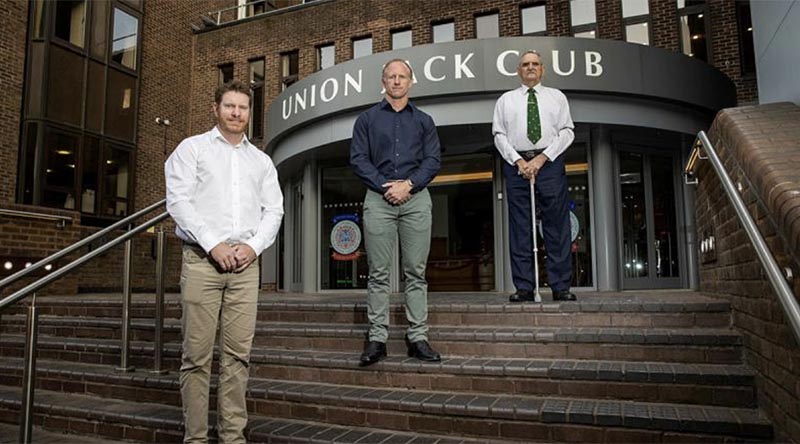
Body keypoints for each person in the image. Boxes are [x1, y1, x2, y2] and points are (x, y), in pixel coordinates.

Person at [165, 80, 284, 443]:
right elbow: (179, 202)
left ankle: (233, 437)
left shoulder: (261, 161)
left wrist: (253, 247)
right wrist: (214, 245)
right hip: (203, 262)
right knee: (197, 358)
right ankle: (196, 439)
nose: (236, 113)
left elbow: (274, 210)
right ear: (215, 108)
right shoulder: (192, 150)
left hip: (246, 268)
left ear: (250, 112)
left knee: (237, 358)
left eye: (243, 108)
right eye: (229, 106)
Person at [350, 59, 442, 366]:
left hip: (416, 198)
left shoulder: (425, 121)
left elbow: (433, 160)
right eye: (392, 76)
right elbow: (359, 159)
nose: (397, 81)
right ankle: (377, 339)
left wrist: (409, 185)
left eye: (403, 76)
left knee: (415, 271)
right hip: (378, 198)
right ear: (384, 81)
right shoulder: (366, 119)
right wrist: (385, 186)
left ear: (411, 81)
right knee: (378, 274)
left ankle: (418, 337)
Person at [492, 50, 577, 303]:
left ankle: (561, 286)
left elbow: (567, 132)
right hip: (516, 163)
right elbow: (499, 135)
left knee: (556, 224)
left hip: (549, 162)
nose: (530, 68)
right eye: (525, 64)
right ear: (518, 70)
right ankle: (525, 287)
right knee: (520, 227)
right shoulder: (505, 100)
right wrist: (518, 161)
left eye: (535, 64)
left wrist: (542, 159)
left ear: (542, 69)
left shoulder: (557, 97)